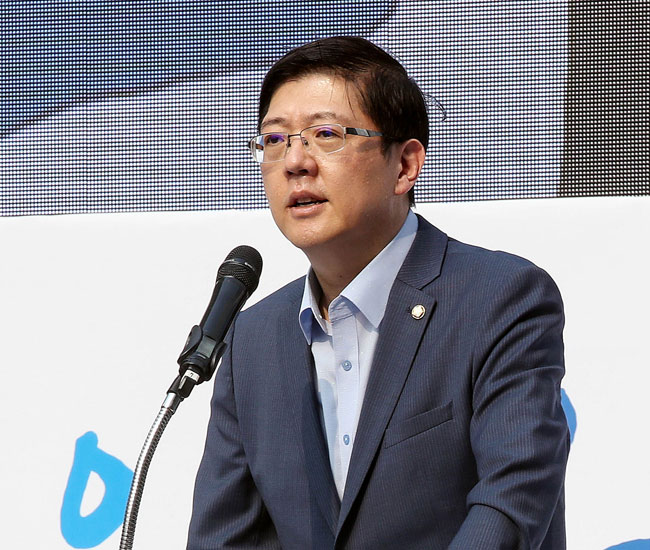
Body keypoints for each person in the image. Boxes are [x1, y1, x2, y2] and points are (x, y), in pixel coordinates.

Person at [187, 36, 569, 549]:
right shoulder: (253, 338)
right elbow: (225, 537)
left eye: (325, 134)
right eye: (274, 140)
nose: (294, 161)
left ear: (405, 165)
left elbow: (510, 503)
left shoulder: (500, 299)